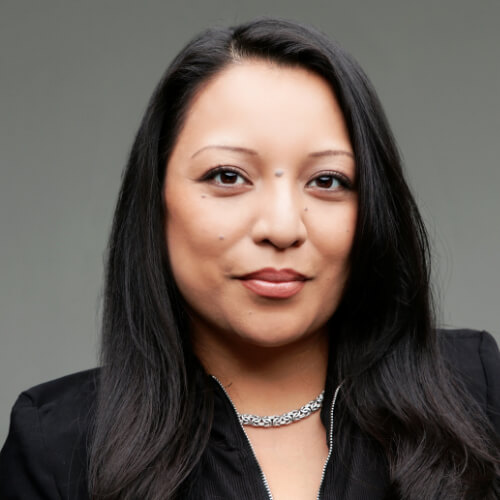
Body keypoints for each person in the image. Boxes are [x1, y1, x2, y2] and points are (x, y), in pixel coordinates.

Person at [0, 17, 499, 500]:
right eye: (227, 176)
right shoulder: (57, 447)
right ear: (156, 200)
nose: (282, 228)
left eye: (327, 181)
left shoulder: (475, 392)